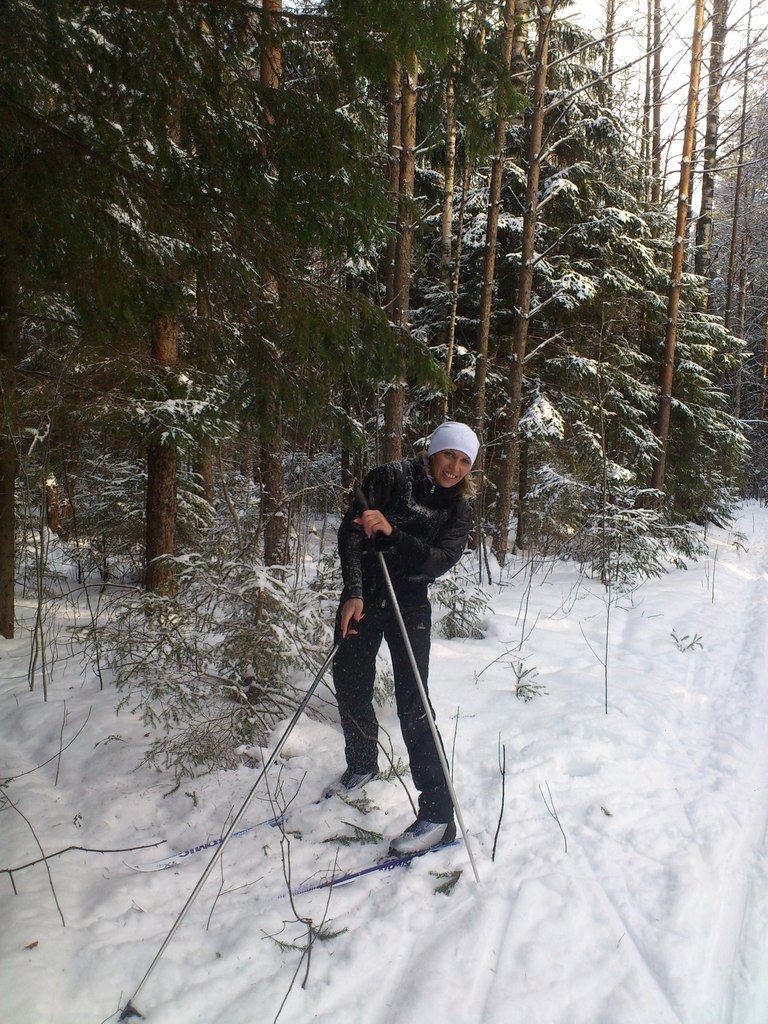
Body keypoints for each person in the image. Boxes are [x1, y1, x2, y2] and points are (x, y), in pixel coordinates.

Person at [325, 421, 479, 855]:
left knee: (414, 701)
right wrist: (353, 592)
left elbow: (437, 562)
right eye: (450, 455)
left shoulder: (458, 510)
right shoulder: (389, 477)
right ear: (433, 451)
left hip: (410, 602)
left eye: (465, 461)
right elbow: (350, 534)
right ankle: (361, 765)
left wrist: (392, 533)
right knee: (350, 680)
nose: (455, 467)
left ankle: (437, 816)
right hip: (365, 594)